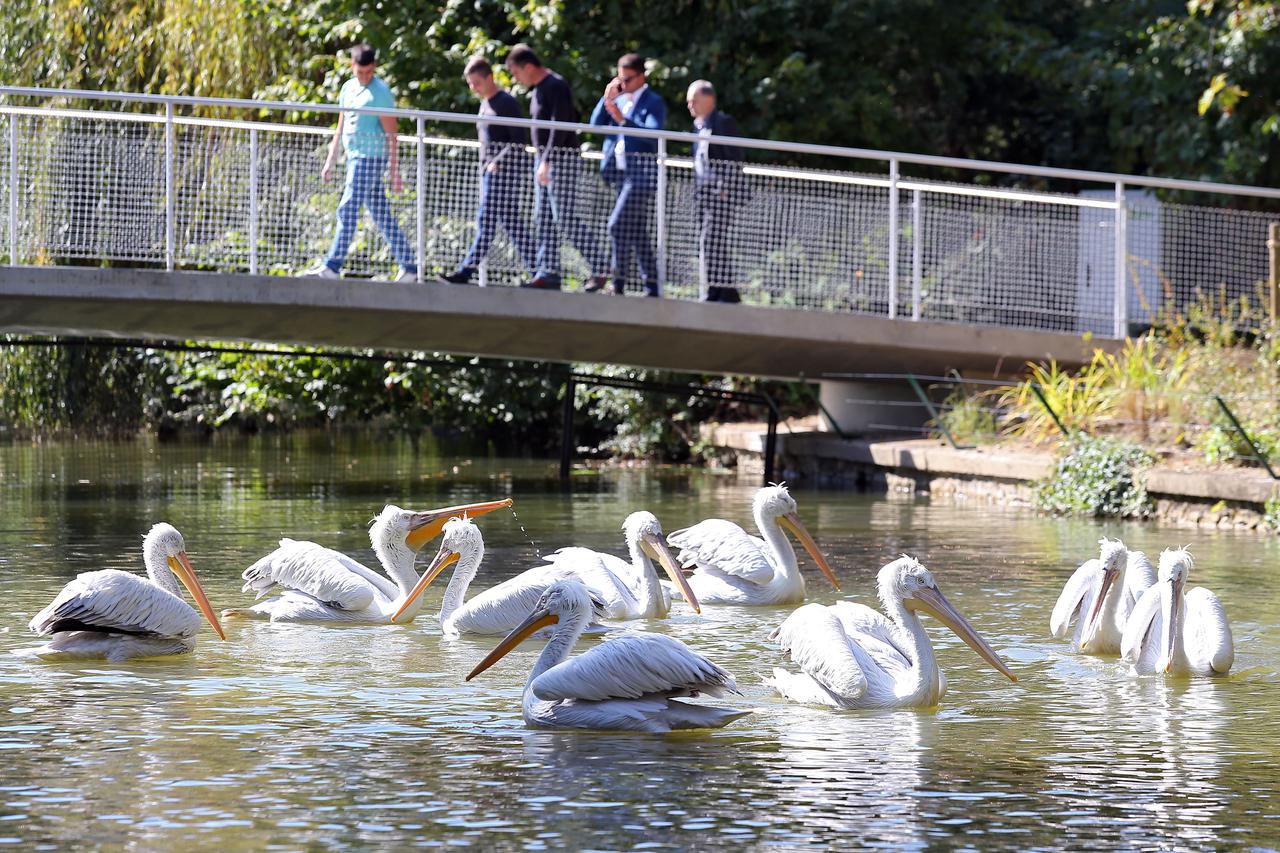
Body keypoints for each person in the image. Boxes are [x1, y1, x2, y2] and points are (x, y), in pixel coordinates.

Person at [304, 44, 417, 282]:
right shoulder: (348, 88)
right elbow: (341, 126)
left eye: (369, 72)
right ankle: (409, 266)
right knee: (381, 214)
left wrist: (394, 171)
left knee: (347, 208)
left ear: (374, 68)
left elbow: (391, 134)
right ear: (353, 66)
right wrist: (330, 160)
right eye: (360, 72)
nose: (365, 77)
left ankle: (332, 266)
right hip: (353, 156)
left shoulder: (381, 93)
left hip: (371, 158)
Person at [505, 44, 609, 291]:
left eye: (515, 72)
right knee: (544, 218)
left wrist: (547, 161)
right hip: (545, 162)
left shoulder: (555, 86)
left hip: (559, 161)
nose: (515, 78)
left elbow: (561, 125)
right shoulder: (539, 89)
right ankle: (548, 273)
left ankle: (601, 266)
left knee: (564, 217)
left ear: (528, 67)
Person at [439, 57, 537, 285]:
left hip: (503, 172)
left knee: (486, 221)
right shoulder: (485, 103)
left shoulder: (506, 103)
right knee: (512, 223)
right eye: (470, 84)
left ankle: (465, 272)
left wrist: (498, 162)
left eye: (477, 83)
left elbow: (518, 142)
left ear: (490, 78)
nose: (473, 88)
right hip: (488, 171)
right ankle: (539, 269)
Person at [589, 53, 667, 297]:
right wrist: (607, 99)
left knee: (616, 225)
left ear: (641, 77)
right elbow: (595, 125)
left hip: (640, 175)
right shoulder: (619, 98)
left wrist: (623, 120)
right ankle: (651, 286)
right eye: (619, 79)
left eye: (627, 80)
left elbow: (654, 135)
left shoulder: (653, 102)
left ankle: (618, 283)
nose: (623, 85)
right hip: (620, 175)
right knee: (636, 232)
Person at [686, 80, 746, 303]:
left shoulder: (723, 123)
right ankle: (728, 292)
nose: (690, 105)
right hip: (704, 194)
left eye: (694, 100)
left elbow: (735, 157)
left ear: (708, 99)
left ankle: (713, 291)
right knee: (714, 241)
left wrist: (725, 187)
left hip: (721, 194)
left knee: (710, 240)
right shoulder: (698, 127)